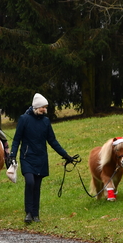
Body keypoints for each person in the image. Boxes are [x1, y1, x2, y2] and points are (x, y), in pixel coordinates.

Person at [9, 93, 75, 224]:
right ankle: (28, 212)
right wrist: (12, 155)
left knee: (37, 186)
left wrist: (66, 156)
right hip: (27, 157)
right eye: (43, 107)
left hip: (41, 159)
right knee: (30, 182)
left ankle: (35, 214)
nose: (45, 110)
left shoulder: (45, 121)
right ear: (36, 107)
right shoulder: (24, 119)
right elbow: (16, 139)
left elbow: (52, 141)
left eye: (46, 107)